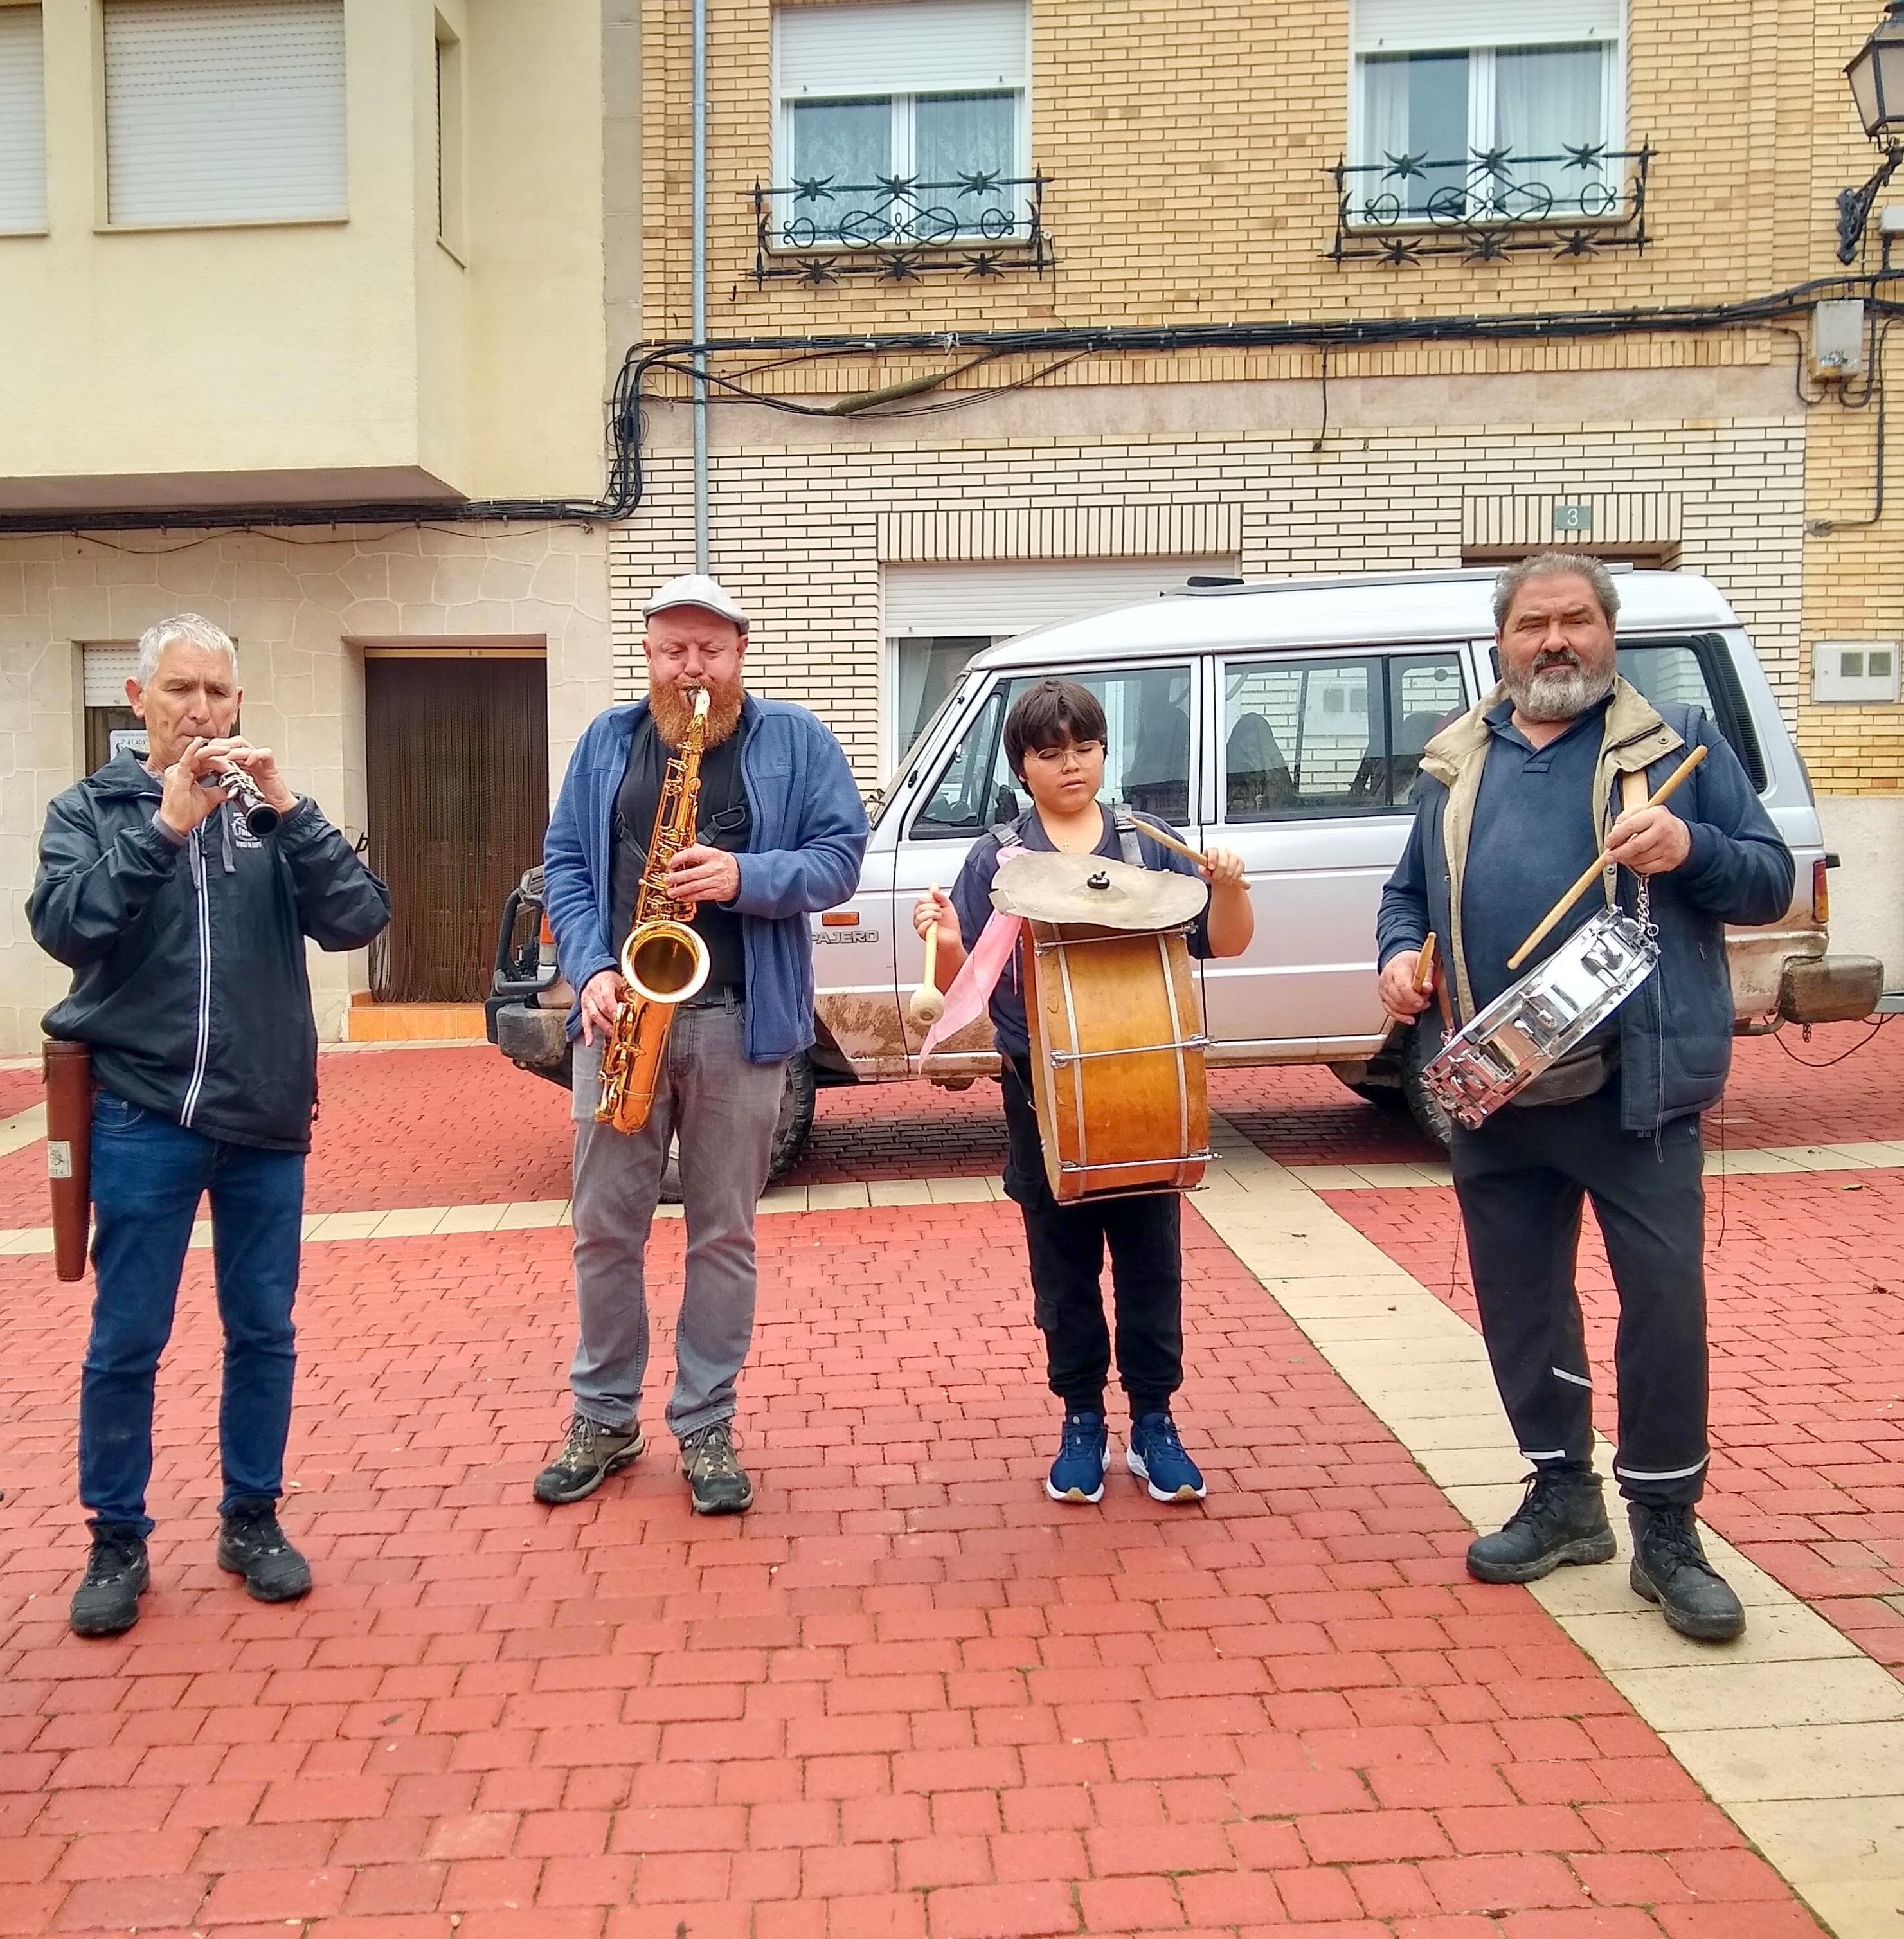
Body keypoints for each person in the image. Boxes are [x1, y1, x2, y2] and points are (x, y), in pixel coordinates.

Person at [1376, 553, 1794, 1643]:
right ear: (1500, 642)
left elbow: (1766, 879)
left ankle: (1665, 1526)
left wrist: (1690, 845)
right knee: (1520, 1302)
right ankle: (1563, 1495)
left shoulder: (1675, 752)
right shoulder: (1456, 762)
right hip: (1495, 1089)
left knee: (1661, 1306)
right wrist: (1396, 956)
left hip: (1633, 1093)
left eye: (1575, 621)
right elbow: (1405, 894)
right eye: (1532, 624)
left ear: (1609, 634)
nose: (1554, 641)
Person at [30, 613, 391, 1638]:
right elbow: (68, 927)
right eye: (180, 690)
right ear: (137, 700)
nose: (201, 710)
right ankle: (117, 1538)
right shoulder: (90, 812)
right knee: (128, 1336)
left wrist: (289, 808)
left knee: (263, 1330)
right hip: (145, 1115)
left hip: (264, 1115)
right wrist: (165, 828)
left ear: (239, 703)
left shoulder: (271, 817)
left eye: (218, 693)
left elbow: (359, 918)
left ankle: (252, 1517)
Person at [536, 575, 868, 1515]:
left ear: (738, 653)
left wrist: (743, 875)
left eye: (708, 651)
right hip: (619, 1016)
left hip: (738, 1017)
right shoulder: (608, 742)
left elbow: (840, 857)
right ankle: (604, 1416)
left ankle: (706, 1421)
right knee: (604, 1231)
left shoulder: (795, 741)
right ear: (648, 652)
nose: (691, 668)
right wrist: (593, 968)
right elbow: (563, 860)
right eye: (672, 650)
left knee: (722, 1236)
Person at [912, 678, 1253, 1506]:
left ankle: (1154, 1423)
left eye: (1085, 746)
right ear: (1021, 766)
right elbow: (968, 987)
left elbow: (1224, 940)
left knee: (1150, 1261)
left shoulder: (1147, 845)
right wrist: (951, 940)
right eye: (1050, 751)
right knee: (1061, 1268)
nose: (1071, 764)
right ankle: (1080, 1421)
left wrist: (1233, 887)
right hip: (1041, 1089)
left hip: (1142, 1084)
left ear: (1105, 751)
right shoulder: (997, 857)